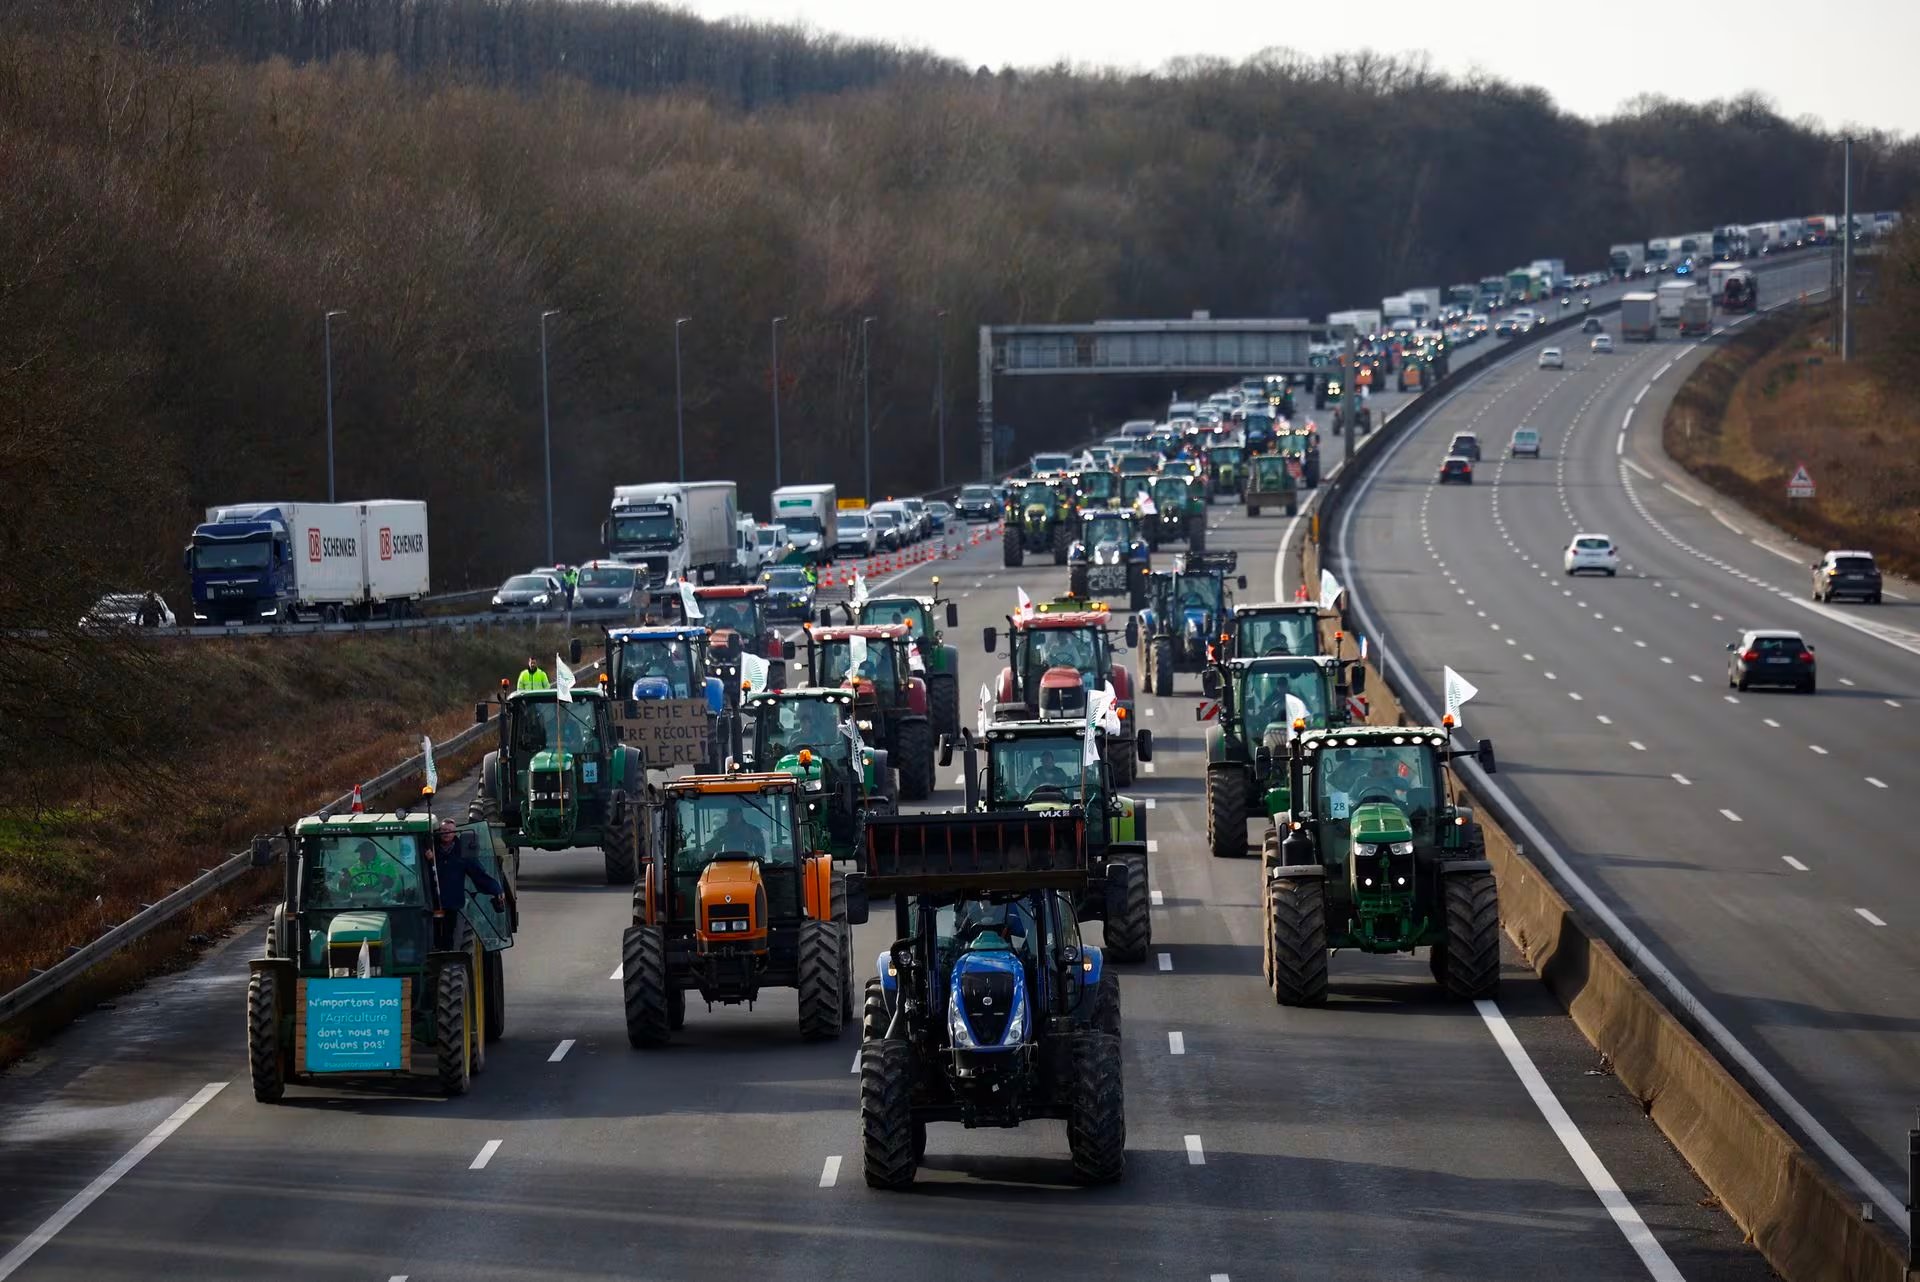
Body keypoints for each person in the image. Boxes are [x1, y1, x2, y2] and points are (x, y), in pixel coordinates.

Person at [428, 820, 506, 950]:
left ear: (455, 833)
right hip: (430, 904)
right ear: (438, 833)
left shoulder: (462, 853)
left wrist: (496, 889)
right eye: (443, 831)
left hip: (452, 904)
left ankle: (449, 955)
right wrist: (430, 859)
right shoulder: (430, 849)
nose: (446, 833)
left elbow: (479, 874)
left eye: (449, 831)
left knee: (449, 939)